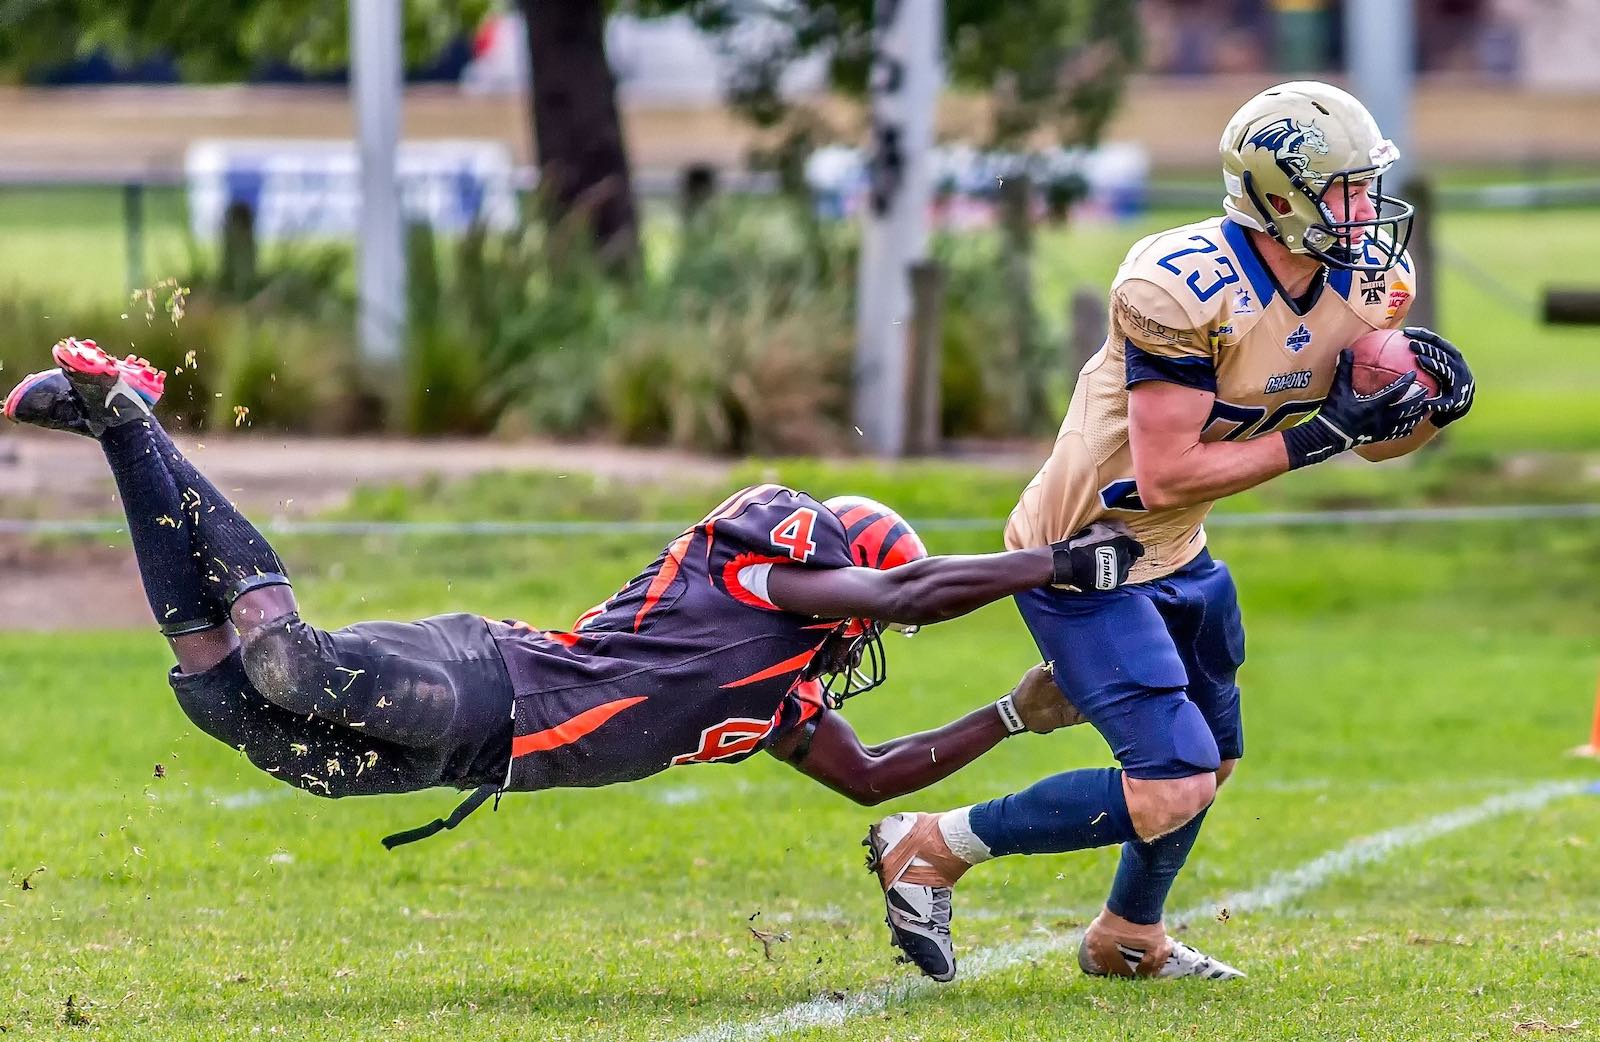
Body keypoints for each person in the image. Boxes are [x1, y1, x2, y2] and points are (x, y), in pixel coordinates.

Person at [4, 337, 1145, 848]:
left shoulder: (785, 693)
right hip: (492, 681)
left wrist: (1010, 715)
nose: (855, 640)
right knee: (287, 662)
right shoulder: (770, 570)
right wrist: (1050, 563)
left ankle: (120, 435)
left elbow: (878, 778)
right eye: (859, 608)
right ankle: (132, 415)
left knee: (223, 697)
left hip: (473, 759)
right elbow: (907, 598)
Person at [862, 80, 1477, 983]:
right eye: (1342, 188)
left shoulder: (1368, 280)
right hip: (1085, 549)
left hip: (1178, 549)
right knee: (1172, 781)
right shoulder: (1181, 287)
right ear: (1276, 196)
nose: (1364, 208)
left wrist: (1417, 415)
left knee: (1211, 762)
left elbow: (1369, 441)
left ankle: (1128, 936)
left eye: (1364, 184)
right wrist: (1328, 433)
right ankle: (930, 846)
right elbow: (1166, 473)